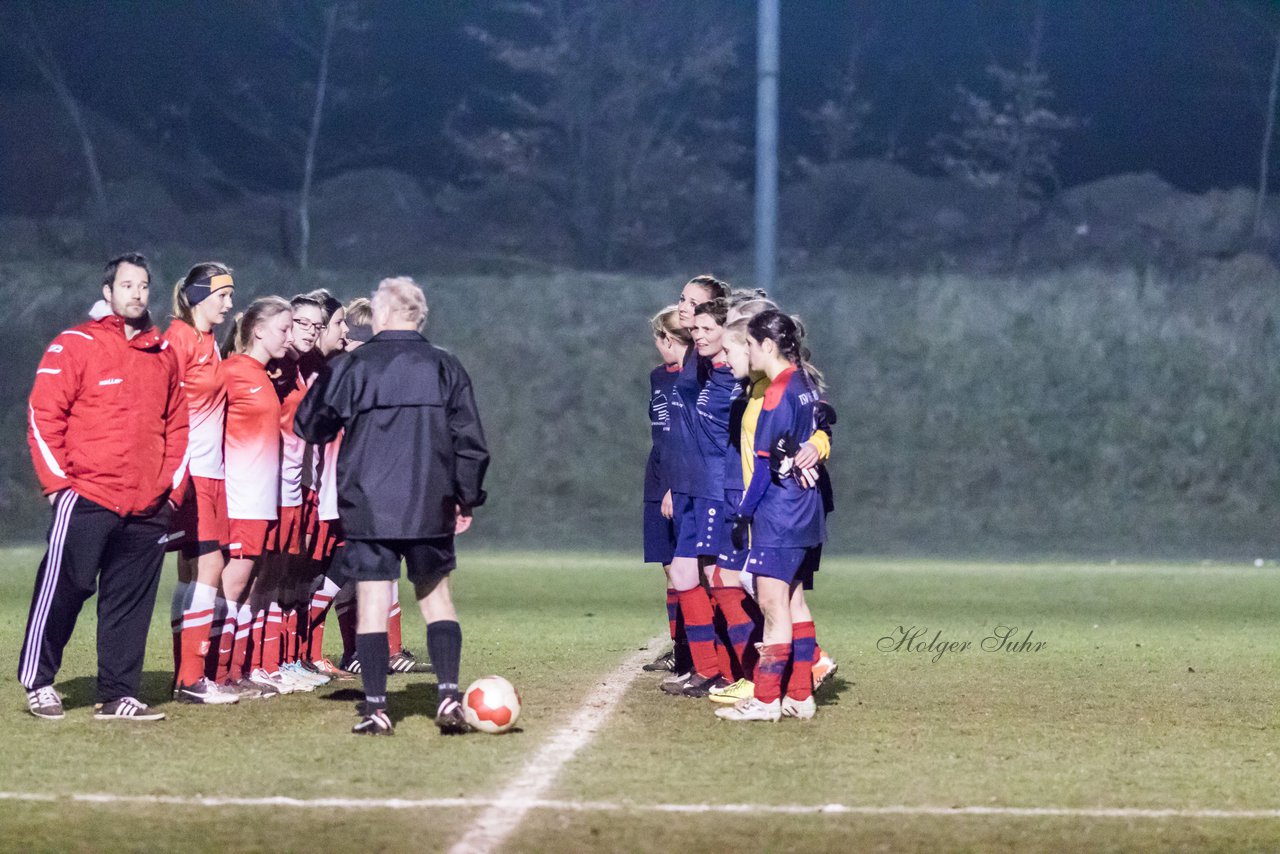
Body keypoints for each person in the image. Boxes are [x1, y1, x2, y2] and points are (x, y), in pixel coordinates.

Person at [295, 277, 489, 736]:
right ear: (419, 316)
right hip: (430, 501)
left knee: (372, 602)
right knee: (436, 599)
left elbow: (311, 425)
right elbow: (471, 442)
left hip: (369, 504)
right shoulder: (446, 365)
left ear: (381, 314)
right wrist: (466, 497)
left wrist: (329, 381)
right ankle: (446, 697)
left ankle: (377, 707)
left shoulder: (354, 365)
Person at [20, 252, 190, 721]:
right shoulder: (74, 344)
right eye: (127, 285)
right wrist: (57, 486)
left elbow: (179, 427)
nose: (137, 293)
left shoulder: (163, 355)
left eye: (144, 285)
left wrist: (170, 492)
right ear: (108, 292)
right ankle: (39, 681)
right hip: (87, 495)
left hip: (148, 504)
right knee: (67, 586)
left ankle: (118, 694)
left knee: (128, 602)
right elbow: (42, 415)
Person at [717, 310, 828, 722]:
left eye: (748, 344)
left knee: (771, 604)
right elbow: (821, 425)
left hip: (779, 514)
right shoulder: (805, 383)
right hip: (806, 510)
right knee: (793, 601)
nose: (746, 351)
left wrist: (742, 514)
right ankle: (799, 695)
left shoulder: (778, 393)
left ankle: (765, 700)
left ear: (766, 345)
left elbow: (763, 467)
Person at [164, 262, 240, 705]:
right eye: (222, 296)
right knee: (210, 566)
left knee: (194, 570)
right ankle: (193, 679)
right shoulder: (178, 338)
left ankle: (185, 675)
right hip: (191, 471)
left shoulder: (207, 341)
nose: (229, 305)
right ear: (197, 297)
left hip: (211, 471)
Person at [216, 297, 295, 697]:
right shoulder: (232, 372)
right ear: (259, 330)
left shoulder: (262, 374)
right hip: (241, 495)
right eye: (284, 328)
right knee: (233, 583)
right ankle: (212, 676)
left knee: (248, 587)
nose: (289, 336)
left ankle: (233, 673)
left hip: (261, 498)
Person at [640, 306, 693, 675]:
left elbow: (688, 439)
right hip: (657, 474)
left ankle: (694, 652)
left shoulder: (697, 379)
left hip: (681, 478)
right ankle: (680, 648)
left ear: (668, 339)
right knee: (669, 567)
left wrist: (676, 485)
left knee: (687, 571)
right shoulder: (659, 377)